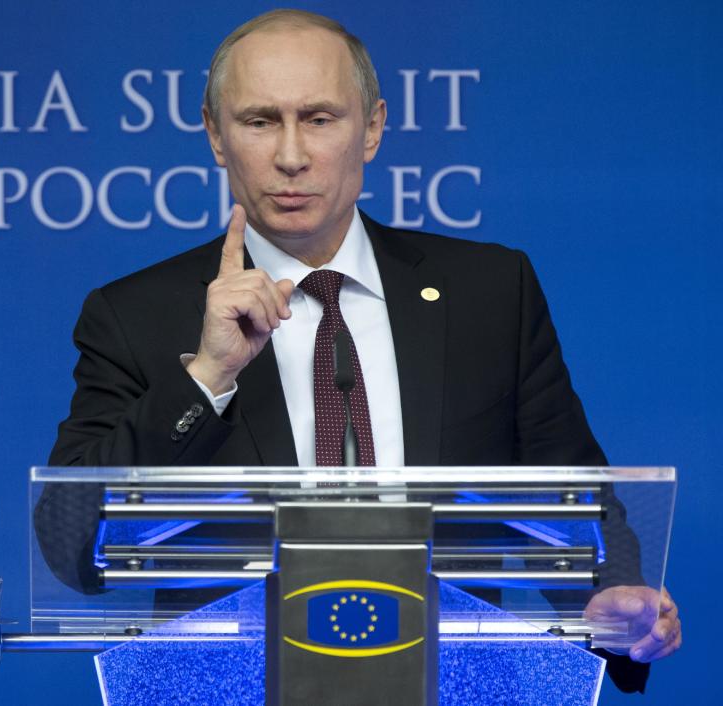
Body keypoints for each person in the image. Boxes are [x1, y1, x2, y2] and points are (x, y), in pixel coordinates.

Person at [39, 9, 680, 693]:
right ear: (216, 136)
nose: (290, 155)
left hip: (456, 684)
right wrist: (208, 375)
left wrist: (613, 596)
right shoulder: (137, 314)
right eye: (259, 121)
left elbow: (576, 499)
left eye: (320, 118)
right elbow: (70, 544)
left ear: (371, 127)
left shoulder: (491, 292)